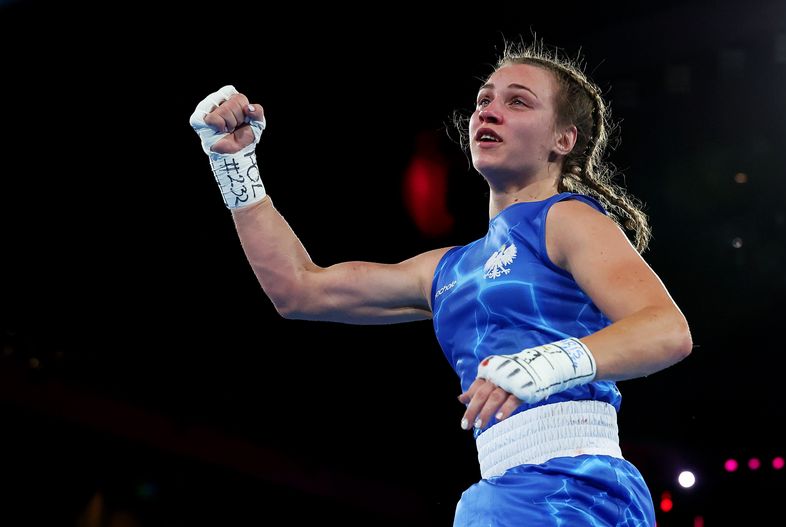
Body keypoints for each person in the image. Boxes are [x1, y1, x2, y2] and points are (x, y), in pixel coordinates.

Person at [189, 41, 692, 526]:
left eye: (517, 102)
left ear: (563, 140)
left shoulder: (566, 219)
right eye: (484, 101)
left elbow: (667, 330)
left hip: (576, 489)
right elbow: (299, 290)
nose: (489, 112)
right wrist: (235, 165)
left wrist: (545, 364)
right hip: (499, 490)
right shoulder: (448, 269)